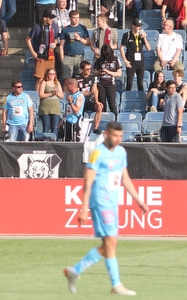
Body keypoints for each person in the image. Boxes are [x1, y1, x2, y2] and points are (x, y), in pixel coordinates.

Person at [64, 121, 149, 296]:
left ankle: (75, 270)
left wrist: (139, 200)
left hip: (112, 201)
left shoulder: (121, 152)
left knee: (109, 244)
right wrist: (84, 207)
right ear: (106, 134)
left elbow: (125, 179)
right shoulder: (97, 153)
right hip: (100, 201)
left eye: (120, 136)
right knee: (111, 241)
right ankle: (116, 285)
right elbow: (87, 181)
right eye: (114, 136)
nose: (118, 139)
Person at [119, 19, 150, 92]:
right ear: (133, 26)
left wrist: (145, 38)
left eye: (140, 26)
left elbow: (149, 48)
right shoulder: (127, 35)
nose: (139, 28)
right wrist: (125, 60)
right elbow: (121, 48)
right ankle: (127, 97)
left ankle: (141, 98)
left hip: (140, 62)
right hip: (131, 61)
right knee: (129, 83)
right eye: (138, 26)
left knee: (140, 83)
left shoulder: (141, 35)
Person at [93, 43, 122, 119]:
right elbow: (94, 71)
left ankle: (115, 121)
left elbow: (119, 73)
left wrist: (109, 72)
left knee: (112, 104)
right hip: (101, 83)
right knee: (102, 104)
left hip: (111, 84)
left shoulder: (116, 59)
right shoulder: (99, 60)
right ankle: (103, 121)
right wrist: (100, 72)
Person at [59, 77, 85, 142]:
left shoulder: (79, 96)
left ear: (71, 85)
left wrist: (71, 102)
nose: (66, 88)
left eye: (67, 85)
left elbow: (76, 111)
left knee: (72, 140)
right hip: (67, 121)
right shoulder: (70, 95)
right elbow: (68, 109)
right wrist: (62, 120)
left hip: (74, 122)